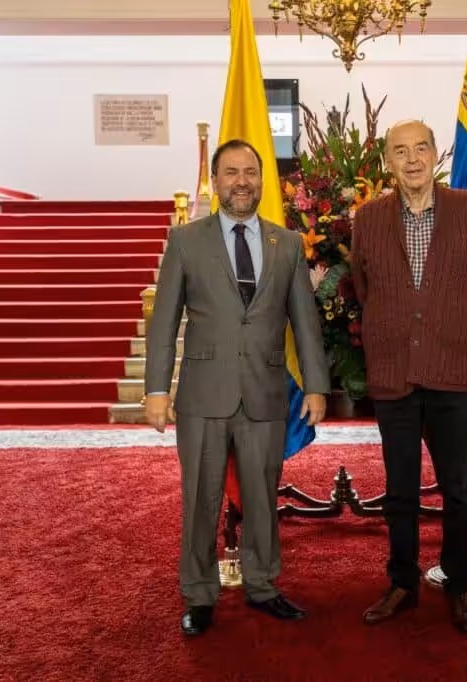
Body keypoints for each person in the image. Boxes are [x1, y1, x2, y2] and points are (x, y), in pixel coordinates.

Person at [144, 138, 330, 637]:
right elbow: (164, 322)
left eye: (250, 172)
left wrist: (315, 385)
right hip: (203, 394)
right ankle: (199, 594)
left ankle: (264, 586)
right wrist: (156, 389)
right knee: (200, 498)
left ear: (262, 182)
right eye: (231, 172)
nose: (241, 181)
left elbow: (304, 322)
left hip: (267, 393)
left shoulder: (286, 244)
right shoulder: (186, 241)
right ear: (216, 180)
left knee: (262, 497)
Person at [351, 120, 467, 634]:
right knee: (399, 489)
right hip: (394, 372)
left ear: (435, 154)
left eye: (421, 148)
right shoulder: (366, 219)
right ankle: (403, 582)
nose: (411, 158)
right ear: (386, 161)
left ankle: (459, 582)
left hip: (452, 370)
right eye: (399, 150)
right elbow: (365, 289)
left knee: (458, 487)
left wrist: (448, 329)